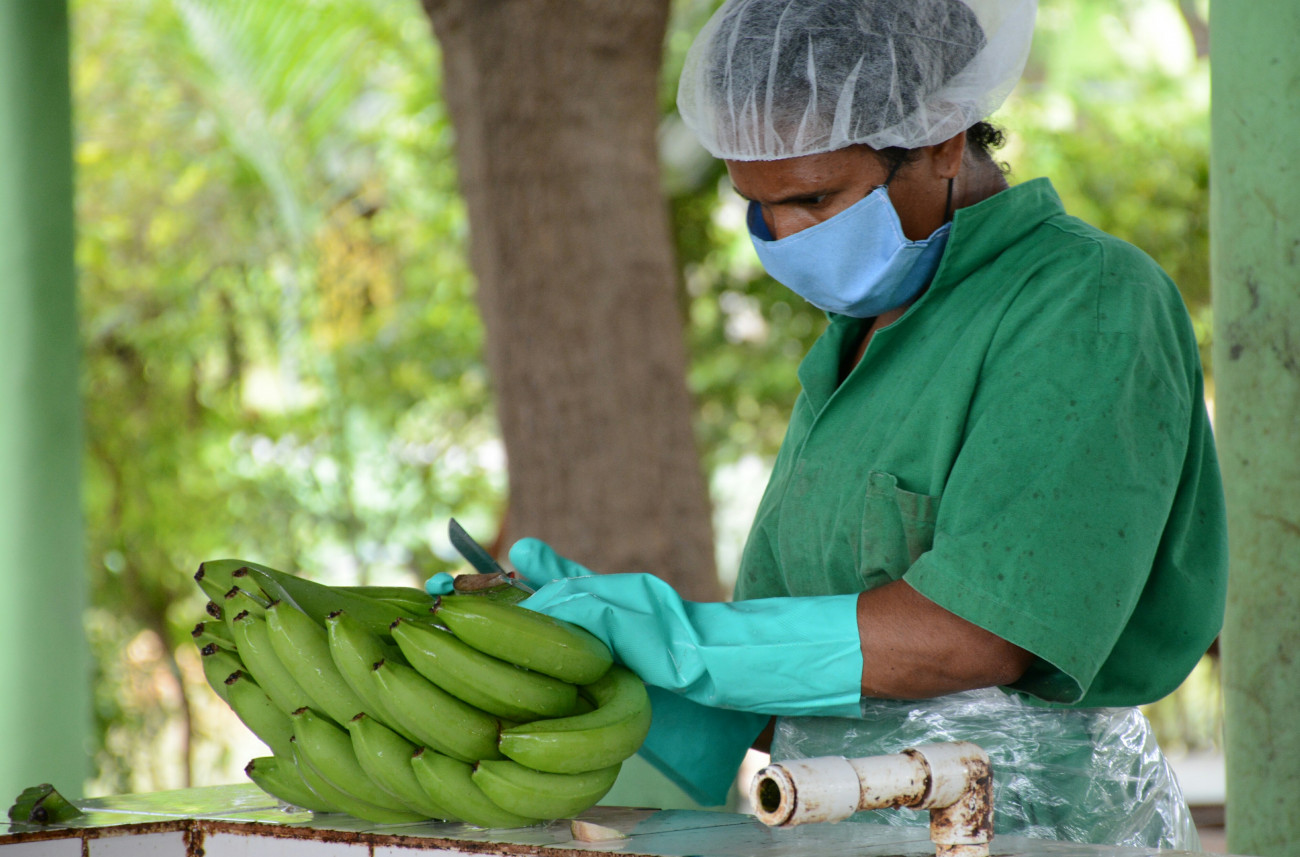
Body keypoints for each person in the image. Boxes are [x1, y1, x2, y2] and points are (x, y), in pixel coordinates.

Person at [429, 0, 1227, 848]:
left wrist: (684, 638)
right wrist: (605, 659)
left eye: (814, 198)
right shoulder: (862, 339)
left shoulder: (1087, 300)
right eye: (756, 205)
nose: (782, 236)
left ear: (943, 138)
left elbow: (977, 637)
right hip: (834, 822)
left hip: (1018, 828)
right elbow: (809, 677)